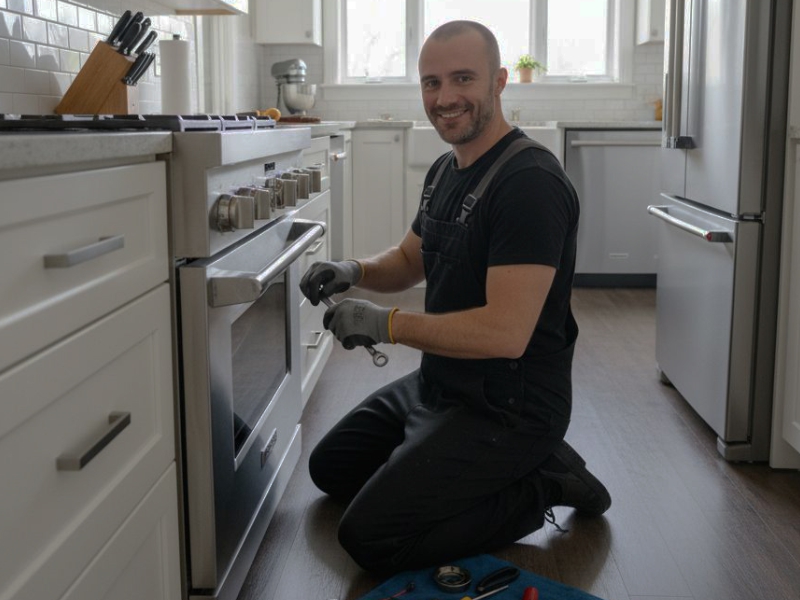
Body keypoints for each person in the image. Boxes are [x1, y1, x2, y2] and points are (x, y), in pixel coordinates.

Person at [299, 20, 610, 573]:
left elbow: (504, 334)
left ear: (499, 81)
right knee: (332, 470)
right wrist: (352, 270)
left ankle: (545, 481)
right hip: (441, 381)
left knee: (370, 538)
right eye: (431, 82)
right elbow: (407, 260)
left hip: (510, 406)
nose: (444, 98)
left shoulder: (529, 184)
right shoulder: (447, 169)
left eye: (463, 78)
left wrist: (385, 324)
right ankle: (445, 466)